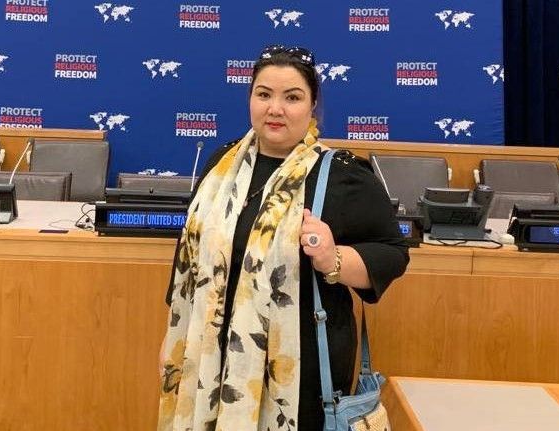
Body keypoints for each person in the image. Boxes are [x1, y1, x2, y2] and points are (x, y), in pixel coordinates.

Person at [158, 45, 409, 431]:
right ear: (250, 99)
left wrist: (333, 258)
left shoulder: (341, 175)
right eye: (264, 94)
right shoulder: (220, 164)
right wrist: (174, 340)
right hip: (207, 362)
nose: (275, 108)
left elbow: (392, 254)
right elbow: (189, 261)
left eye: (292, 97)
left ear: (313, 107)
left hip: (297, 377)